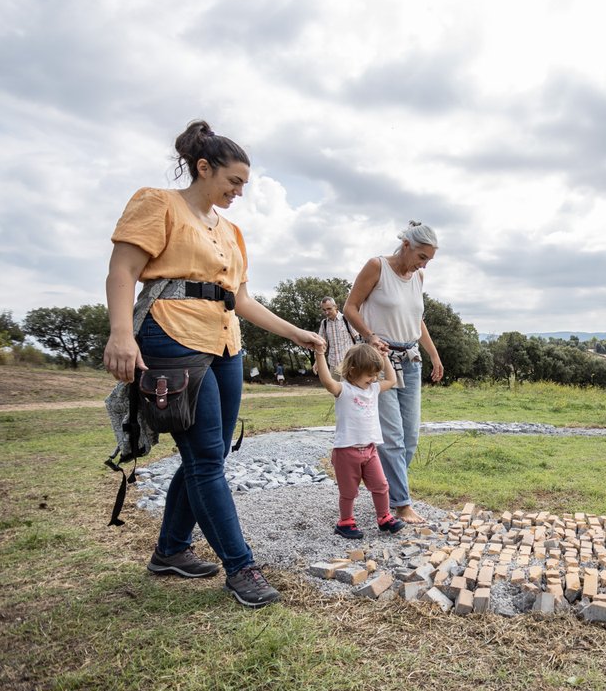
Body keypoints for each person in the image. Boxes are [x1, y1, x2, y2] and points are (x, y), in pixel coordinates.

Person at [103, 120, 325, 608]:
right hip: (171, 335)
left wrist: (298, 334)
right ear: (203, 168)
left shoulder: (231, 231)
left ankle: (171, 551)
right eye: (234, 181)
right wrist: (121, 334)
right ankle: (241, 567)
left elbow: (240, 298)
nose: (240, 192)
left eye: (244, 184)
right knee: (206, 459)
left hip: (226, 342)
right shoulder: (158, 203)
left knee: (212, 455)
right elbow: (123, 270)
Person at [344, 221, 444, 524]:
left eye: (428, 259)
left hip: (411, 360)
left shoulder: (418, 277)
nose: (423, 264)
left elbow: (416, 320)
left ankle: (384, 488)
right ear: (406, 246)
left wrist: (434, 355)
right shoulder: (377, 267)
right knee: (392, 436)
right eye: (422, 256)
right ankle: (401, 504)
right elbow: (350, 307)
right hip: (380, 360)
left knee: (410, 436)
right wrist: (370, 335)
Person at [314, 343, 404, 538]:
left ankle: (384, 518)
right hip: (346, 452)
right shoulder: (343, 390)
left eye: (375, 375)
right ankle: (345, 523)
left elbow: (391, 379)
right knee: (349, 492)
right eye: (369, 374)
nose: (373, 379)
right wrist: (320, 354)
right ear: (354, 371)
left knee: (381, 485)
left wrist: (385, 356)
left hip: (370, 450)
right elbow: (327, 381)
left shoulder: (372, 389)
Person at [317, 296, 360, 380]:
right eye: (324, 310)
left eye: (329, 309)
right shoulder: (324, 323)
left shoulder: (346, 319)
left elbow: (358, 339)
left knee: (346, 390)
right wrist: (317, 361)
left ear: (335, 307)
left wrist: (358, 359)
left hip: (347, 362)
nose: (326, 312)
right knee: (336, 391)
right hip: (333, 363)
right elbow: (321, 344)